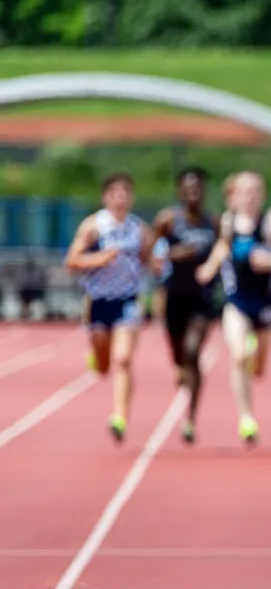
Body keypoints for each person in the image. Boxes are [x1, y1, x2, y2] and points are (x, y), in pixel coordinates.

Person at [197, 171, 271, 446]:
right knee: (238, 356)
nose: (249, 196)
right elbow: (222, 246)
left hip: (265, 302)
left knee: (258, 367)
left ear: (261, 195)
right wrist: (209, 268)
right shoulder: (228, 221)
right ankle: (246, 417)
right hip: (237, 299)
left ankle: (252, 355)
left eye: (254, 190)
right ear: (233, 196)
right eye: (243, 191)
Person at [64, 173, 156, 443]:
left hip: (127, 300)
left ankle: (120, 416)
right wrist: (99, 258)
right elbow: (71, 261)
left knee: (124, 359)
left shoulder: (138, 229)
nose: (121, 198)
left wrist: (158, 263)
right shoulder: (94, 227)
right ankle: (97, 356)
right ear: (106, 197)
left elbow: (151, 259)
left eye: (126, 193)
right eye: (115, 193)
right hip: (98, 301)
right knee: (103, 364)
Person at [151, 167, 220, 443]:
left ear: (204, 192)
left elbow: (222, 250)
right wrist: (172, 255)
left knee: (193, 353)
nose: (193, 194)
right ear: (180, 192)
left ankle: (190, 418)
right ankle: (180, 368)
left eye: (198, 189)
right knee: (180, 357)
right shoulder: (168, 221)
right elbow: (153, 256)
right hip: (174, 297)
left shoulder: (212, 222)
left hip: (202, 299)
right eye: (188, 189)